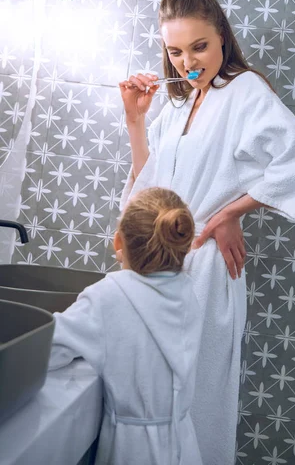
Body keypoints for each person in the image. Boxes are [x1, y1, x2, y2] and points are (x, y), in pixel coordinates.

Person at [119, 0, 295, 465]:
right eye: (174, 51)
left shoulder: (244, 91)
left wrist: (228, 213)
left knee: (197, 398)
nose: (187, 61)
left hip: (207, 274)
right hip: (159, 266)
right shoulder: (176, 105)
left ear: (222, 39)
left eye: (200, 46)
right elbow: (150, 188)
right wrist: (136, 123)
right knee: (149, 396)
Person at [48, 187, 203, 465]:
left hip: (134, 451)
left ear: (118, 242)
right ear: (184, 244)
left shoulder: (108, 296)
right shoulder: (188, 293)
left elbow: (49, 349)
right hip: (183, 443)